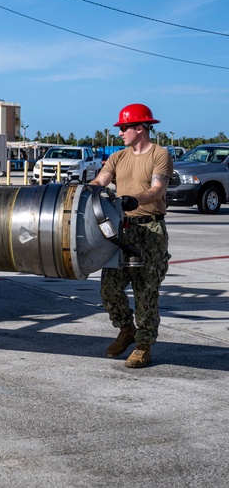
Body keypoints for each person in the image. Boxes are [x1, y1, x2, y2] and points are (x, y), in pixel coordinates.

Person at [88, 103, 173, 368]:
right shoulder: (118, 157)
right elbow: (100, 182)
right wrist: (74, 192)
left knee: (146, 289)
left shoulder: (160, 154)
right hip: (121, 231)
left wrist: (133, 200)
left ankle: (144, 345)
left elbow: (157, 189)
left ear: (140, 127)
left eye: (124, 127)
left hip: (150, 230)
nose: (120, 132)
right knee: (110, 288)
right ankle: (127, 329)